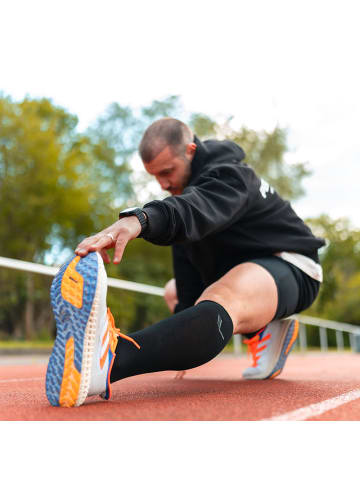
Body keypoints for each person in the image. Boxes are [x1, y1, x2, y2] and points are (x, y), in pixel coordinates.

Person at [45, 118, 325, 407]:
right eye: (155, 177)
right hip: (245, 268)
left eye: (168, 172)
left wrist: (140, 220)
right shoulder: (185, 194)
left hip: (292, 264)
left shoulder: (231, 175)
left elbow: (194, 209)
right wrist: (178, 342)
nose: (164, 184)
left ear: (191, 150)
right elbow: (188, 265)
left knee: (222, 298)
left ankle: (110, 361)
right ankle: (264, 330)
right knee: (174, 290)